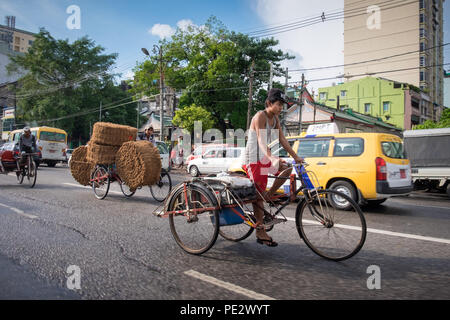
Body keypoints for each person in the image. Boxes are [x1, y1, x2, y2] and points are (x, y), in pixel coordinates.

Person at [243, 88, 304, 247]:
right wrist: (271, 158)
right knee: (257, 196)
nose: (281, 108)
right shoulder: (260, 116)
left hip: (263, 159)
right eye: (278, 104)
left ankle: (268, 196)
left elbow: (282, 139)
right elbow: (261, 141)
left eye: (282, 105)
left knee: (287, 169)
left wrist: (295, 156)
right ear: (269, 103)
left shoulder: (275, 119)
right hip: (253, 160)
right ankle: (260, 231)